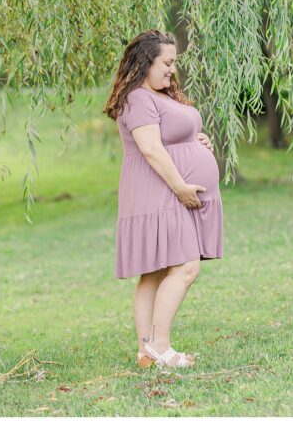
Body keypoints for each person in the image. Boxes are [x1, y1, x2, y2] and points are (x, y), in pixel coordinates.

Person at [103, 29, 224, 369]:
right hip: (159, 191)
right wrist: (182, 187)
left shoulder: (158, 95)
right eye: (167, 63)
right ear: (145, 62)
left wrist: (196, 141)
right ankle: (161, 347)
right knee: (185, 267)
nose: (172, 69)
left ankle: (146, 353)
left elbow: (168, 138)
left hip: (167, 190)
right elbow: (152, 151)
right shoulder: (138, 98)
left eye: (174, 62)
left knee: (155, 273)